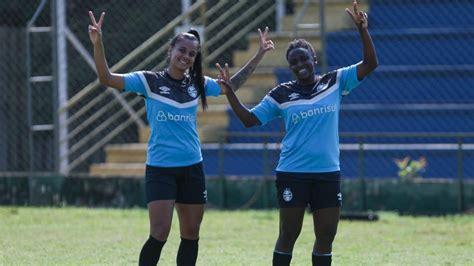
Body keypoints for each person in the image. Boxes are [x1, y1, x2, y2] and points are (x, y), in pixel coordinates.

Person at [87, 11, 274, 266]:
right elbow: (106, 78)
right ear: (170, 50)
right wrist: (98, 44)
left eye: (191, 53)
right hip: (161, 169)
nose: (185, 56)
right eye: (182, 50)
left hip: (192, 168)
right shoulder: (149, 81)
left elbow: (231, 86)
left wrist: (259, 54)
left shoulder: (197, 83)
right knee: (160, 233)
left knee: (191, 235)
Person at [217, 1, 378, 265]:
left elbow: (371, 64)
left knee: (326, 236)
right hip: (293, 173)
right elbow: (249, 120)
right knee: (289, 234)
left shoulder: (335, 81)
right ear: (290, 66)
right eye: (294, 62)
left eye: (304, 59)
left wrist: (362, 30)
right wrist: (230, 93)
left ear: (314, 60)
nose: (300, 64)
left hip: (327, 172)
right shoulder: (280, 94)